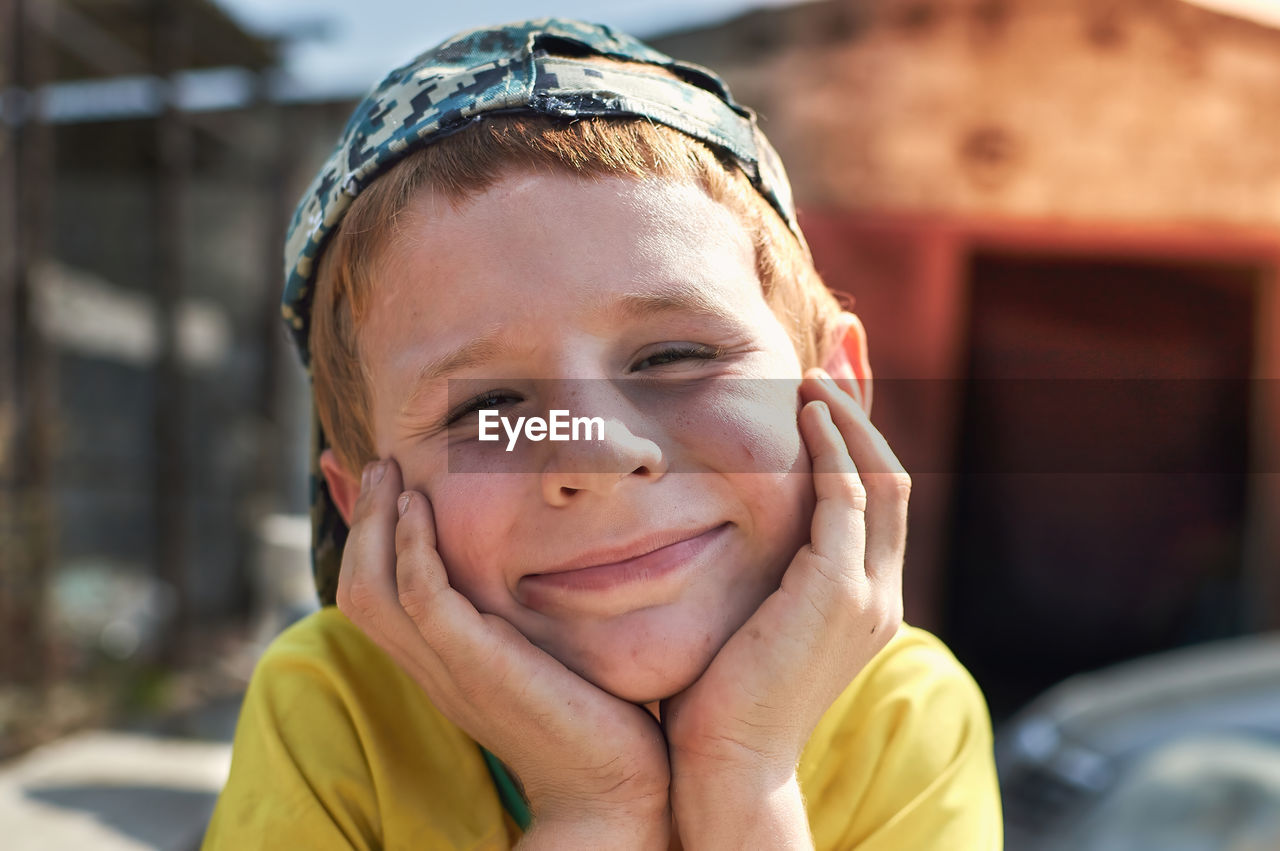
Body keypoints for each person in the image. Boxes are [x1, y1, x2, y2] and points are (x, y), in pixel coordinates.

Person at [204, 18, 1002, 850]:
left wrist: (742, 770)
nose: (598, 453)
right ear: (363, 500)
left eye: (674, 355)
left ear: (834, 390)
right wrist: (596, 805)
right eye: (487, 406)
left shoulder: (910, 714)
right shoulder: (334, 707)